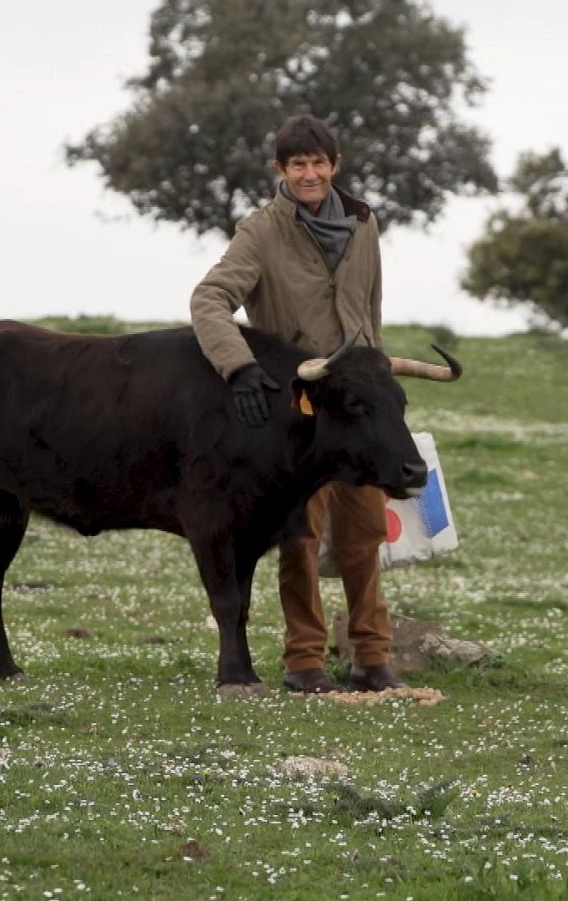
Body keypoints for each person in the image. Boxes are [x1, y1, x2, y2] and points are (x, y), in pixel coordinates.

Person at [189, 113, 405, 694]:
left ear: (334, 165)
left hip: (359, 406)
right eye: (297, 164)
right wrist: (240, 367)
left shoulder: (363, 223)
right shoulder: (260, 230)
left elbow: (372, 312)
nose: (309, 174)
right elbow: (209, 299)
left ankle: (372, 656)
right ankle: (305, 662)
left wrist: (381, 389)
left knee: (365, 532)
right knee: (300, 538)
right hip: (299, 407)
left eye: (318, 163)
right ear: (281, 170)